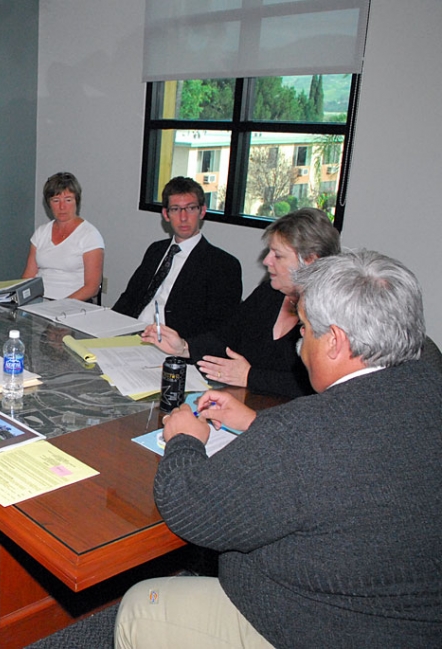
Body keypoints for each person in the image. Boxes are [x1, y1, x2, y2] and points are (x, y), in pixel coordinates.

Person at [115, 249, 442, 648]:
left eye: (304, 330)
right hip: (416, 614)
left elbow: (189, 509)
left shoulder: (305, 433)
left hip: (327, 624)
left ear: (336, 341)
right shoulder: (429, 368)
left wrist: (184, 439)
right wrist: (255, 421)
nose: (299, 343)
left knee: (140, 606)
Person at [142, 208, 340, 398]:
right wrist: (184, 347)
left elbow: (325, 385)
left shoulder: (334, 315)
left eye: (277, 255)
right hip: (241, 403)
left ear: (311, 261)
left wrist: (250, 376)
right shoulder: (269, 294)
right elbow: (227, 336)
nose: (267, 261)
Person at [111, 176, 241, 338]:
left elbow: (219, 327)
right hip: (131, 333)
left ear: (202, 211)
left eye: (191, 208)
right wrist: (107, 328)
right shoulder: (156, 250)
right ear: (166, 214)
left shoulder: (222, 264)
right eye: (175, 209)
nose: (183, 217)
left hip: (173, 344)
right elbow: (129, 297)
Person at [22, 172, 104, 301]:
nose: (62, 207)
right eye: (56, 200)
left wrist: (58, 306)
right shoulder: (41, 233)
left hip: (73, 305)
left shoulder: (90, 235)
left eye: (68, 200)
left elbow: (92, 287)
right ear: (48, 204)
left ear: (76, 201)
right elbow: (28, 277)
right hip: (38, 302)